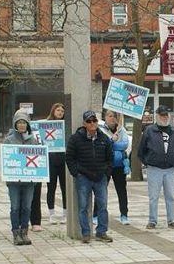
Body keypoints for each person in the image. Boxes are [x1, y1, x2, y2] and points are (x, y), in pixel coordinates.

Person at [65, 110, 113, 244]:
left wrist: (106, 173)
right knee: (83, 207)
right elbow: (69, 157)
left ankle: (101, 232)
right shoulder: (75, 138)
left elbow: (110, 158)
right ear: (84, 123)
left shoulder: (104, 138)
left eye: (94, 121)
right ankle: (86, 233)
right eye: (89, 121)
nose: (92, 123)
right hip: (83, 177)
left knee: (102, 205)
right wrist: (76, 173)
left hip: (100, 177)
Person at [137, 106, 174, 230]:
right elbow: (141, 150)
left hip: (170, 168)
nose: (164, 117)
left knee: (170, 196)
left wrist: (173, 160)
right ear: (157, 116)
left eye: (166, 115)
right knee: (153, 196)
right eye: (162, 115)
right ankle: (152, 220)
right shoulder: (149, 130)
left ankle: (171, 220)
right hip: (154, 168)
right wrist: (148, 162)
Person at [4, 110, 38, 246]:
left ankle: (24, 231)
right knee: (15, 206)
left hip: (29, 181)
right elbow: (6, 159)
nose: (22, 125)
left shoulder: (33, 141)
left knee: (27, 207)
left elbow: (38, 160)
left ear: (27, 124)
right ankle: (16, 232)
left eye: (24, 122)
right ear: (15, 124)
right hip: (14, 181)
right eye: (19, 123)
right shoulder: (9, 140)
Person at [99, 109, 131, 225]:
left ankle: (124, 214)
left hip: (119, 165)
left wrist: (113, 144)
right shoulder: (101, 129)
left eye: (114, 116)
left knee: (122, 190)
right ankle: (96, 215)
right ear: (105, 117)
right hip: (106, 164)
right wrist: (111, 141)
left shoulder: (121, 129)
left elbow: (125, 144)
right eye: (110, 116)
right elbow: (102, 145)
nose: (112, 118)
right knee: (101, 190)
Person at [45, 103, 68, 224]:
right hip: (51, 160)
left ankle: (65, 213)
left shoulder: (66, 125)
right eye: (58, 110)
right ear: (53, 111)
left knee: (65, 188)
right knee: (51, 188)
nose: (60, 112)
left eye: (62, 111)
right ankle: (51, 214)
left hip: (63, 160)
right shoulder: (46, 125)